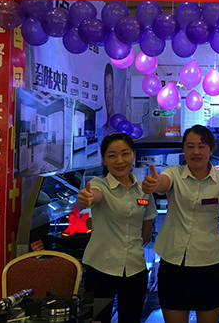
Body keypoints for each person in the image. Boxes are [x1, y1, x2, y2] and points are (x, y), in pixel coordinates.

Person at [141, 124, 219, 323]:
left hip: (209, 266)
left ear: (211, 150)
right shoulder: (173, 173)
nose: (196, 151)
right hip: (173, 264)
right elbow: (163, 182)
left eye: (201, 146)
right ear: (184, 150)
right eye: (190, 146)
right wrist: (155, 183)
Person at [77, 132, 156, 323]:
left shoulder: (144, 190)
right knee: (96, 320)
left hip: (135, 269)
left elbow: (146, 230)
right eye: (112, 155)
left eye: (125, 154)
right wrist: (87, 197)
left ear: (133, 155)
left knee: (131, 319)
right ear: (104, 160)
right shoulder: (99, 185)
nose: (119, 161)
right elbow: (93, 195)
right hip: (100, 268)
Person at [102, 63, 115, 137]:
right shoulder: (102, 127)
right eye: (106, 91)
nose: (108, 97)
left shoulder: (118, 125)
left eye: (110, 90)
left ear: (113, 90)